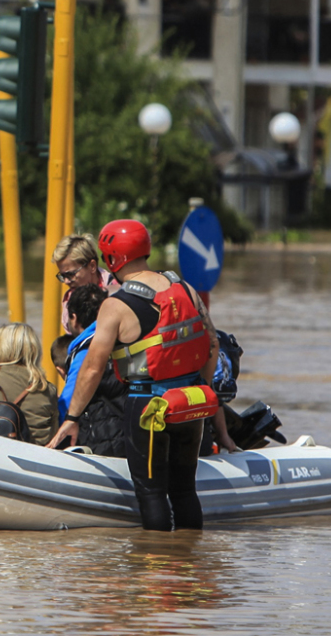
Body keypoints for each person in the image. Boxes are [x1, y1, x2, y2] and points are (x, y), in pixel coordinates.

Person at [46, 220, 235, 532]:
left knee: (151, 493)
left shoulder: (116, 305)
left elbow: (93, 368)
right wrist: (199, 385)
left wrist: (73, 416)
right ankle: (191, 561)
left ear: (110, 259)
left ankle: (156, 568)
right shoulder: (185, 288)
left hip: (148, 407)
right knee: (185, 490)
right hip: (191, 402)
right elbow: (212, 343)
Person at [54, 284, 127, 456]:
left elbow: (69, 401)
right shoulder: (120, 338)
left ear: (73, 317)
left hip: (104, 441)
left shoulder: (84, 351)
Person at [52, 234, 119, 333]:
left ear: (92, 266)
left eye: (71, 274)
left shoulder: (117, 290)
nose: (66, 281)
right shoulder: (70, 299)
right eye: (63, 276)